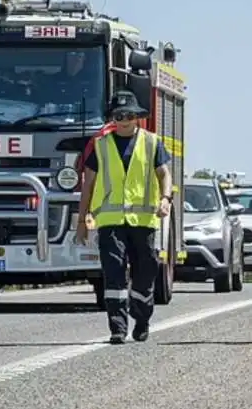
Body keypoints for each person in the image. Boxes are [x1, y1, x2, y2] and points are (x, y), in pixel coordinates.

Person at [75, 90, 173, 344]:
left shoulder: (152, 142)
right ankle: (117, 327)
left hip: (143, 222)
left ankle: (141, 318)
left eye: (129, 115)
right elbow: (89, 184)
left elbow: (164, 174)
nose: (124, 120)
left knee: (145, 272)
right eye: (119, 115)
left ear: (137, 117)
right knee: (114, 272)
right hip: (110, 222)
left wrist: (165, 199)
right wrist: (81, 220)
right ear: (112, 119)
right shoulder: (100, 145)